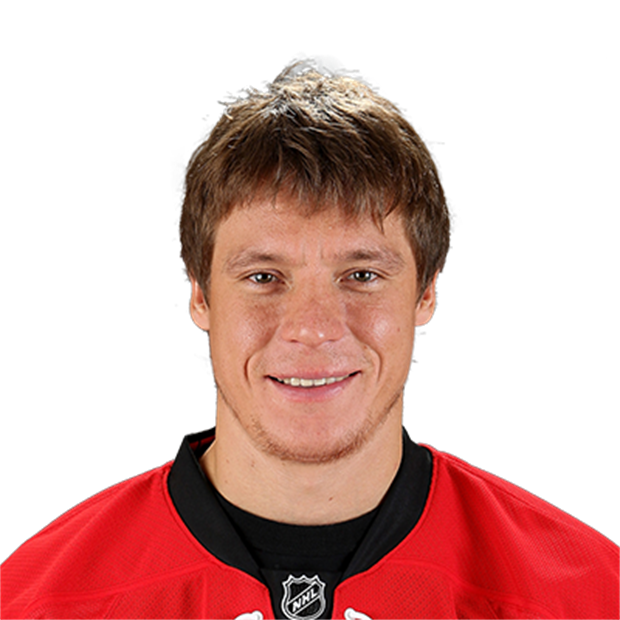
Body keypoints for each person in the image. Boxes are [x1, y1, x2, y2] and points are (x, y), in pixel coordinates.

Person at [2, 61, 618, 620]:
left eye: (362, 275)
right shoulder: (37, 601)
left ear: (426, 292)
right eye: (264, 277)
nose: (314, 327)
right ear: (200, 296)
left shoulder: (590, 596)